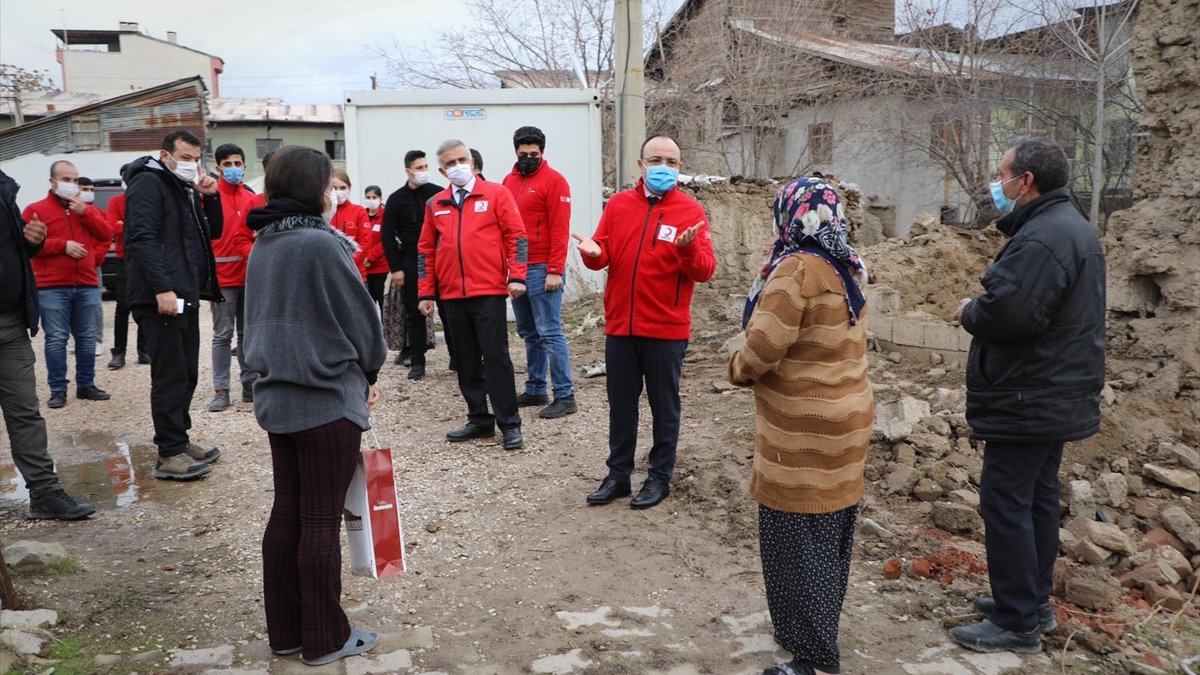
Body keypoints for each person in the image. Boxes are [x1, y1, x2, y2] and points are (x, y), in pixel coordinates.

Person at [948, 136, 1105, 654]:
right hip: (1053, 391)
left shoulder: (1042, 238)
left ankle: (1017, 622)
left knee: (1007, 499)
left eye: (1003, 176)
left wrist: (972, 310)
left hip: (1029, 392)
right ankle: (1029, 601)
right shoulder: (1070, 228)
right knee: (1034, 498)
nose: (999, 186)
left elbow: (1012, 312)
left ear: (1027, 182)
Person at [242, 144, 386, 667]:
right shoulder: (320, 245)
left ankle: (285, 631)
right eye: (327, 185)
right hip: (325, 401)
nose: (333, 194)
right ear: (313, 189)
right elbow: (362, 322)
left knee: (288, 513)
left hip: (277, 398)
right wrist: (370, 369)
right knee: (320, 520)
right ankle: (325, 637)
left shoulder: (265, 242)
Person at [728, 177, 874, 675]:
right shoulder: (846, 264)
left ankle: (814, 658)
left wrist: (736, 367)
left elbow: (763, 348)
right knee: (829, 536)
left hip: (804, 430)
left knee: (794, 543)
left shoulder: (797, 270)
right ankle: (808, 627)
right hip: (848, 422)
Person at [576, 133, 717, 510]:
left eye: (672, 162)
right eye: (656, 160)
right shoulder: (619, 205)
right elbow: (602, 253)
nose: (664, 168)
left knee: (664, 407)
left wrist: (687, 250)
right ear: (641, 165)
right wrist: (592, 254)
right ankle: (618, 475)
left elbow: (705, 270)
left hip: (666, 330)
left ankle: (659, 477)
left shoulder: (690, 211)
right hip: (621, 327)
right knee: (621, 405)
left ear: (680, 168)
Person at [123, 129, 224, 481]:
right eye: (184, 158)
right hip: (161, 297)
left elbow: (211, 233)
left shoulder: (181, 188)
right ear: (165, 155)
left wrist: (210, 197)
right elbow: (142, 238)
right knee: (169, 374)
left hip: (186, 295)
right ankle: (169, 453)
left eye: (196, 159)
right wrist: (162, 288)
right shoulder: (148, 184)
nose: (191, 165)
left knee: (186, 372)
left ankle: (179, 440)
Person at [417, 139, 528, 450]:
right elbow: (425, 250)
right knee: (465, 360)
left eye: (461, 159)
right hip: (451, 295)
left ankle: (510, 424)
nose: (457, 167)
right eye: (450, 163)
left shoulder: (497, 194)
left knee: (496, 359)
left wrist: (517, 275)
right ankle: (479, 419)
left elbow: (516, 236)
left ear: (472, 161)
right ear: (441, 170)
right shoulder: (435, 203)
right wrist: (426, 293)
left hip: (489, 291)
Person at [0, 169, 97, 520]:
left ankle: (44, 493)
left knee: (25, 413)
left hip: (9, 322)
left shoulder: (4, 186)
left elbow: (12, 251)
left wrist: (32, 242)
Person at [21, 160, 113, 409]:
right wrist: (62, 245)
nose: (72, 184)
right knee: (56, 338)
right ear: (52, 182)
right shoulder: (35, 210)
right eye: (66, 179)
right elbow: (27, 247)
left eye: (75, 179)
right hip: (52, 286)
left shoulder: (85, 209)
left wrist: (86, 213)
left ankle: (86, 385)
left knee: (86, 338)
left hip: (86, 283)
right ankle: (58, 389)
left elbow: (106, 234)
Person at [502, 126, 577, 419]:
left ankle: (565, 394)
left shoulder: (555, 181)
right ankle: (535, 388)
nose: (529, 158)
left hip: (543, 267)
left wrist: (555, 270)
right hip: (518, 269)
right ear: (516, 152)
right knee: (529, 333)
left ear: (542, 152)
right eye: (524, 154)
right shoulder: (508, 181)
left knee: (549, 332)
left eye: (534, 154)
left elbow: (560, 229)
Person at [382, 150, 442, 379]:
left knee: (449, 311)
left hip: (440, 260)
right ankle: (418, 362)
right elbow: (387, 235)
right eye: (419, 168)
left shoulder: (437, 194)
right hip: (411, 262)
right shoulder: (397, 199)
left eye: (426, 166)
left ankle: (458, 360)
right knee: (414, 314)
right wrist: (396, 268)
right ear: (408, 171)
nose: (424, 171)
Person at [207, 143, 258, 412]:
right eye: (227, 164)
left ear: (245, 166)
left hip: (249, 278)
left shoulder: (252, 199)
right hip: (222, 279)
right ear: (218, 168)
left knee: (247, 334)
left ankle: (249, 384)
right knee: (222, 335)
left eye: (238, 164)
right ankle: (221, 389)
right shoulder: (209, 197)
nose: (234, 169)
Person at [104, 164, 149, 369]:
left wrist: (126, 224)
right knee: (123, 306)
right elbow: (112, 226)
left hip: (144, 258)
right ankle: (119, 351)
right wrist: (131, 225)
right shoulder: (116, 201)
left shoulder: (146, 200)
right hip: (124, 259)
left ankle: (144, 350)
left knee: (144, 304)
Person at [79, 177, 107, 358]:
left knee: (95, 304)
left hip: (92, 265)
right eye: (84, 189)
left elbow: (105, 237)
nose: (88, 193)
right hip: (71, 266)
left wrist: (94, 257)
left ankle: (97, 339)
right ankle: (75, 337)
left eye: (90, 189)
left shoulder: (97, 213)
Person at [329, 169, 370, 281]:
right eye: (334, 188)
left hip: (356, 273)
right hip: (330, 274)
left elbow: (365, 244)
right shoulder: (324, 212)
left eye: (342, 188)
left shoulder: (359, 211)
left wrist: (347, 263)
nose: (338, 191)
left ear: (349, 188)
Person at [361, 184, 389, 317]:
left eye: (374, 197)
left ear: (380, 198)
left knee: (384, 305)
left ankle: (385, 335)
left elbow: (385, 241)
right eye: (368, 197)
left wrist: (370, 257)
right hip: (365, 270)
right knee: (367, 307)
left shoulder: (385, 216)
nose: (371, 200)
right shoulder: (362, 215)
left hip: (381, 268)